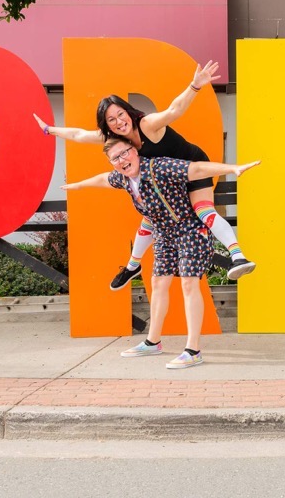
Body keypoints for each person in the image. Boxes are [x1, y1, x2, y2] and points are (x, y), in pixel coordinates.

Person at [34, 60, 255, 291]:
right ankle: (132, 266)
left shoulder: (147, 124)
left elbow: (174, 110)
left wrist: (195, 86)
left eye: (121, 114)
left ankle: (238, 256)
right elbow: (79, 134)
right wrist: (48, 130)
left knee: (203, 211)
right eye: (111, 120)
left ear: (128, 112)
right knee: (152, 217)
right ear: (107, 125)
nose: (119, 122)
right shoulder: (116, 140)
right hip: (166, 181)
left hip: (192, 167)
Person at [62, 136, 260, 369]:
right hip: (164, 234)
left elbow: (196, 168)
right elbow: (102, 179)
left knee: (189, 283)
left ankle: (193, 350)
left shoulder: (159, 167)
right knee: (158, 282)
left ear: (135, 151)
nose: (122, 160)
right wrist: (76, 185)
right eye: (115, 158)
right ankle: (152, 342)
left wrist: (232, 168)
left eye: (125, 152)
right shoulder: (123, 179)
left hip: (190, 228)